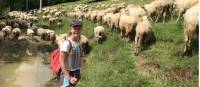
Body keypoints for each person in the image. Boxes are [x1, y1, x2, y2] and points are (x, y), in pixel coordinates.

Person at [60, 19, 82, 87]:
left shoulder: (78, 43)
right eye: (74, 28)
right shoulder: (67, 43)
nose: (76, 30)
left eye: (78, 28)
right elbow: (61, 61)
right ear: (71, 29)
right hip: (68, 74)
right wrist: (69, 78)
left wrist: (78, 72)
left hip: (76, 72)